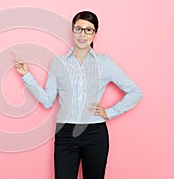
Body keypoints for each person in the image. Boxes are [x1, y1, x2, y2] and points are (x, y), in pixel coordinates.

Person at [14, 11, 143, 179]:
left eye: (88, 30)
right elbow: (47, 101)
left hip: (95, 133)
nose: (83, 34)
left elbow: (135, 92)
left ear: (95, 33)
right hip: (65, 133)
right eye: (78, 29)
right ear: (72, 31)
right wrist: (27, 75)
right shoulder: (58, 63)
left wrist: (110, 112)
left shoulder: (104, 63)